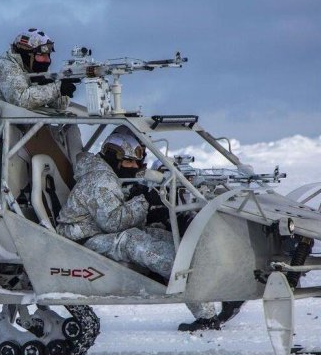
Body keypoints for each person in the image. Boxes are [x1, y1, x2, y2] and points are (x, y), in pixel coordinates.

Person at [56, 126, 222, 330]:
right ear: (113, 157)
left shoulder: (108, 175)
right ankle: (186, 275)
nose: (134, 166)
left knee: (162, 235)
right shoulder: (99, 179)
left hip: (97, 232)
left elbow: (113, 210)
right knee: (132, 241)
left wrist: (142, 199)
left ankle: (204, 301)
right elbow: (113, 222)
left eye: (137, 162)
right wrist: (144, 200)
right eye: (129, 161)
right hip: (80, 240)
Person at [0, 28, 79, 152]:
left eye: (48, 55)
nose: (47, 60)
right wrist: (56, 88)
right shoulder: (5, 65)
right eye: (42, 55)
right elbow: (22, 99)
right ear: (27, 55)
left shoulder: (33, 68)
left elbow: (58, 106)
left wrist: (61, 90)